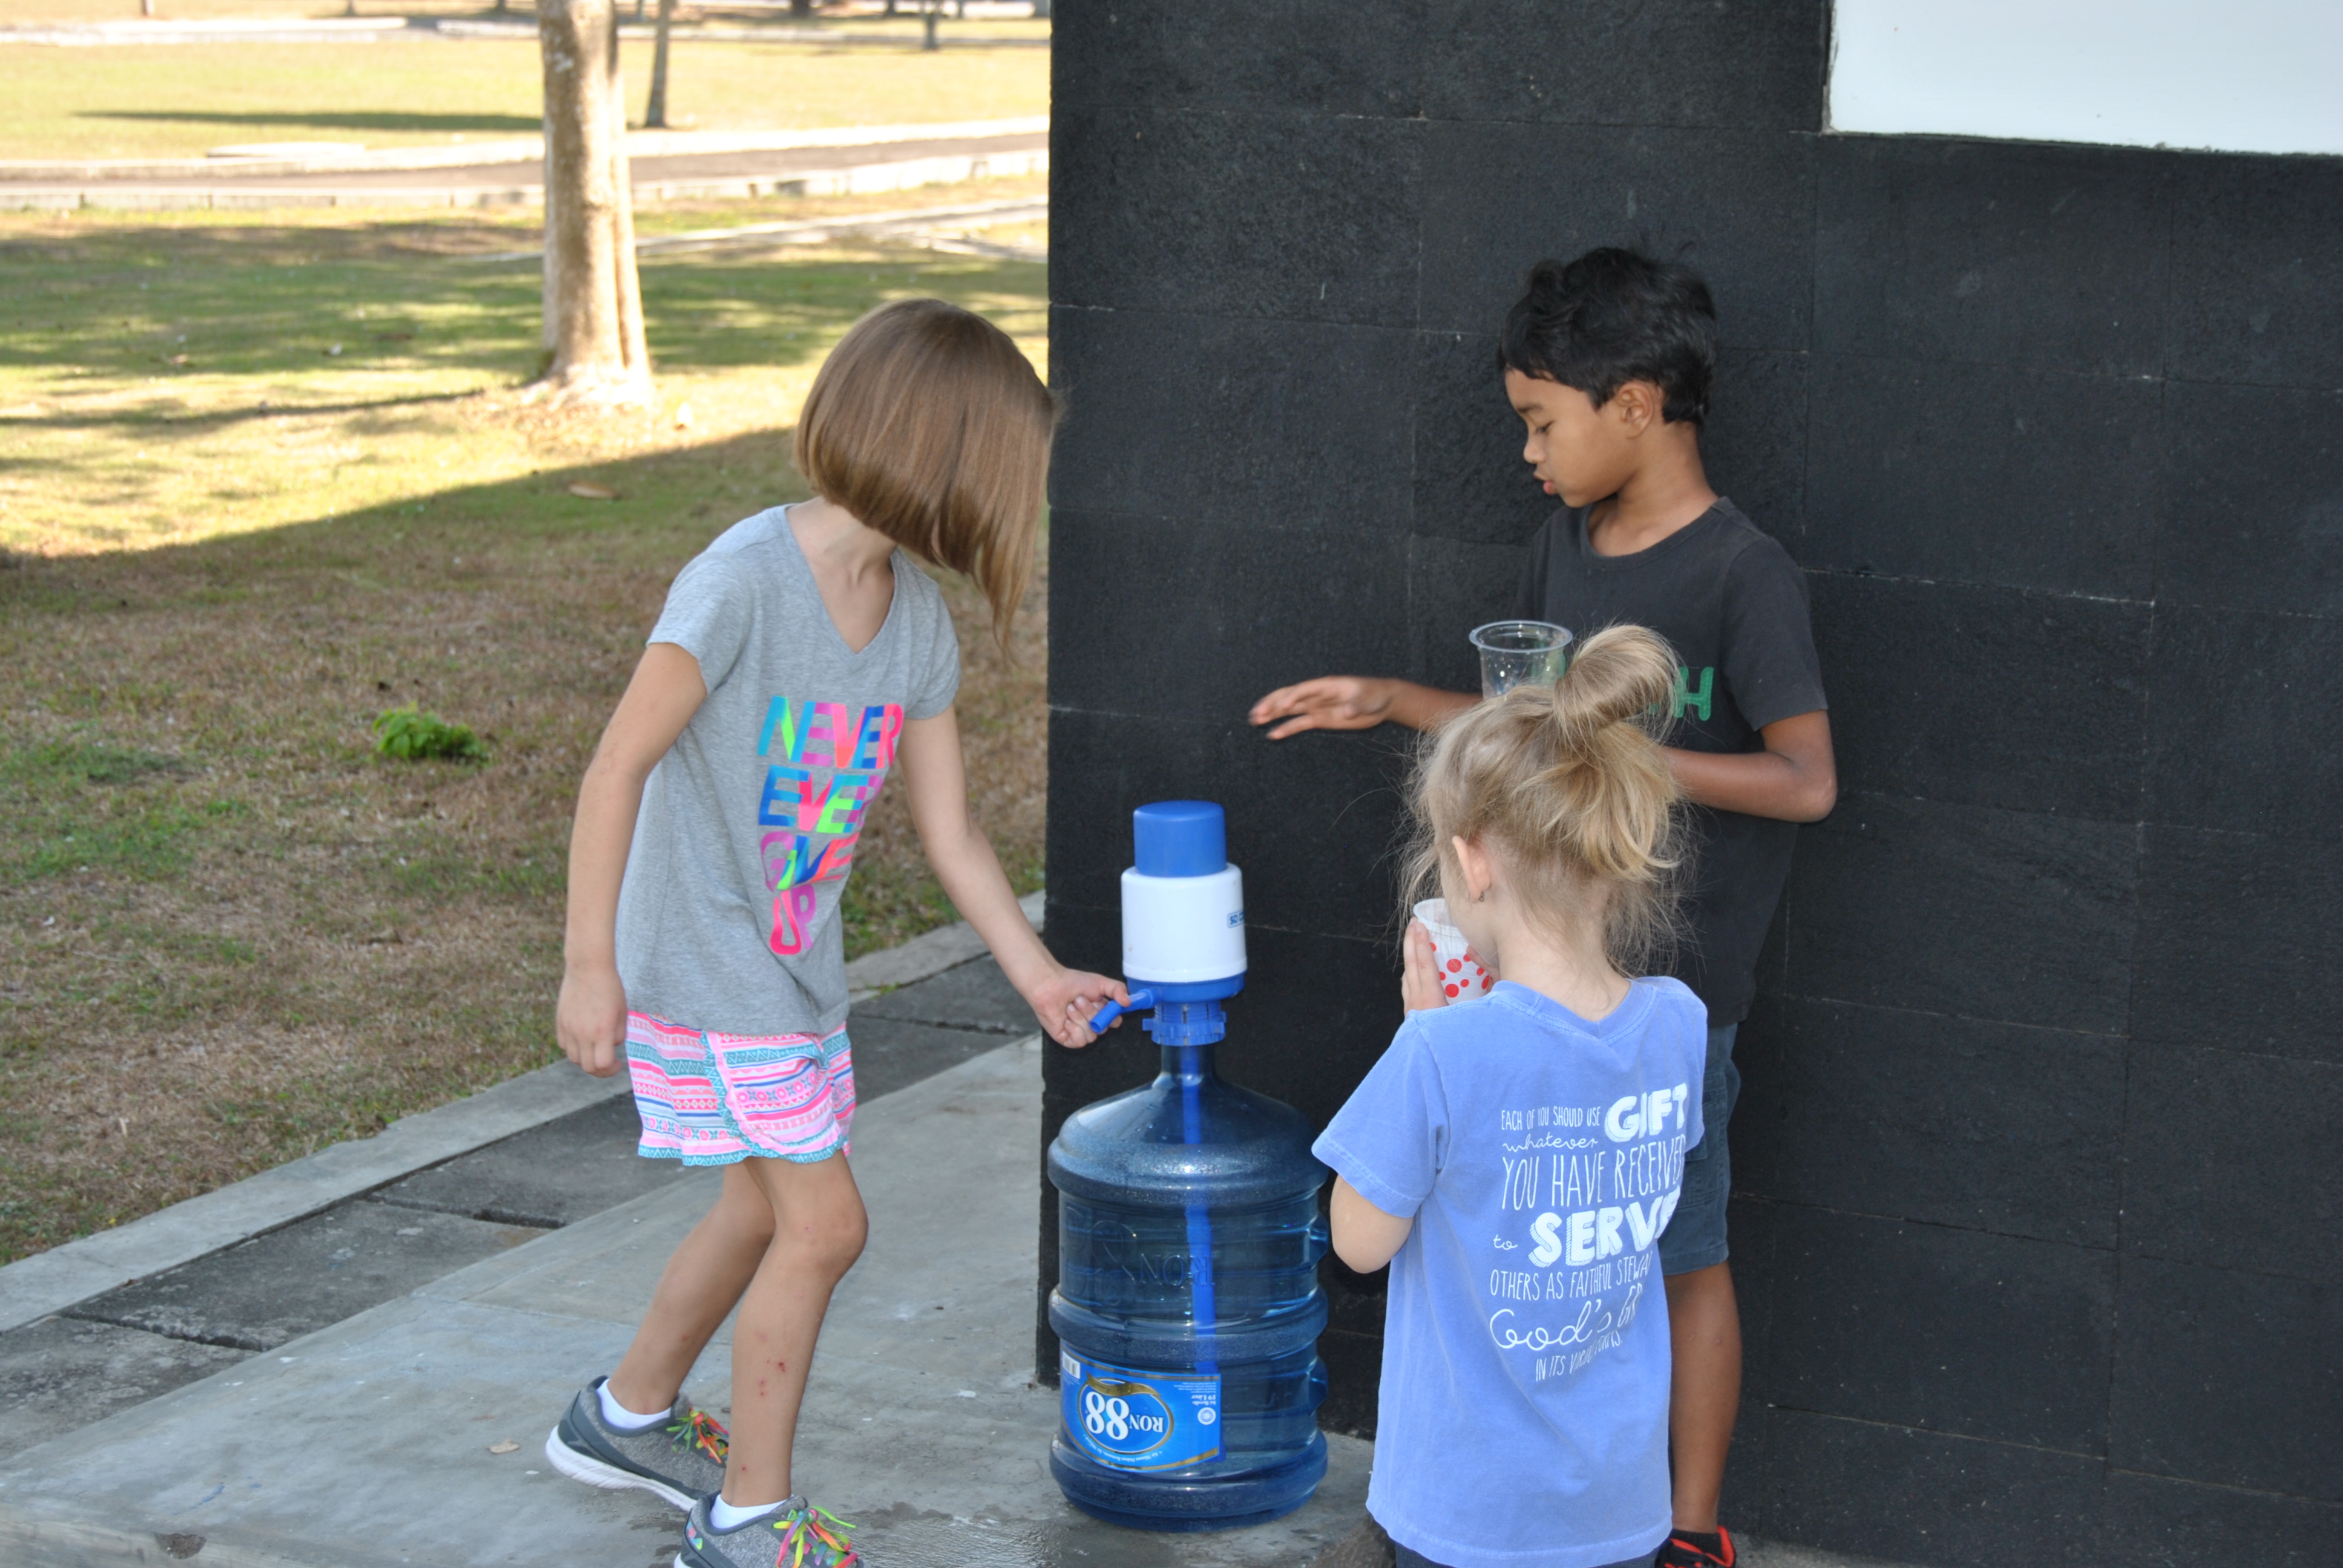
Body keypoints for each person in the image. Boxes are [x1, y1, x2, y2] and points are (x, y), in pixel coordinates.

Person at [1254, 249, 1834, 1568]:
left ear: (1634, 404)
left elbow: (1807, 781)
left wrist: (1621, 760)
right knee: (1531, 1258)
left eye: (1539, 421)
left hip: (1672, 996)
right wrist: (1391, 703)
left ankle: (1687, 1531)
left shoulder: (1743, 574)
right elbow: (1521, 736)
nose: (1526, 452)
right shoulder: (1560, 550)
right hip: (1522, 995)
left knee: (1677, 1256)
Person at [542, 299, 1125, 1568]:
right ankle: (747, 1517)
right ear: (945, 458)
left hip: (791, 969)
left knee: (760, 1212)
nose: (1017, 503)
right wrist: (589, 968)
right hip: (706, 960)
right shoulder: (740, 583)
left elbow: (951, 835)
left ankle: (623, 1417)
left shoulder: (912, 622)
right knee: (825, 1226)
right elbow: (614, 768)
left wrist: (1037, 977)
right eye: (1008, 471)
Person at [1314, 625, 1710, 1568]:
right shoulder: (1679, 1023)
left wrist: (1419, 1038)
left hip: (1468, 1514)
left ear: (1474, 862)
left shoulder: (1440, 1051)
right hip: (1617, 1507)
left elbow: (1358, 1243)